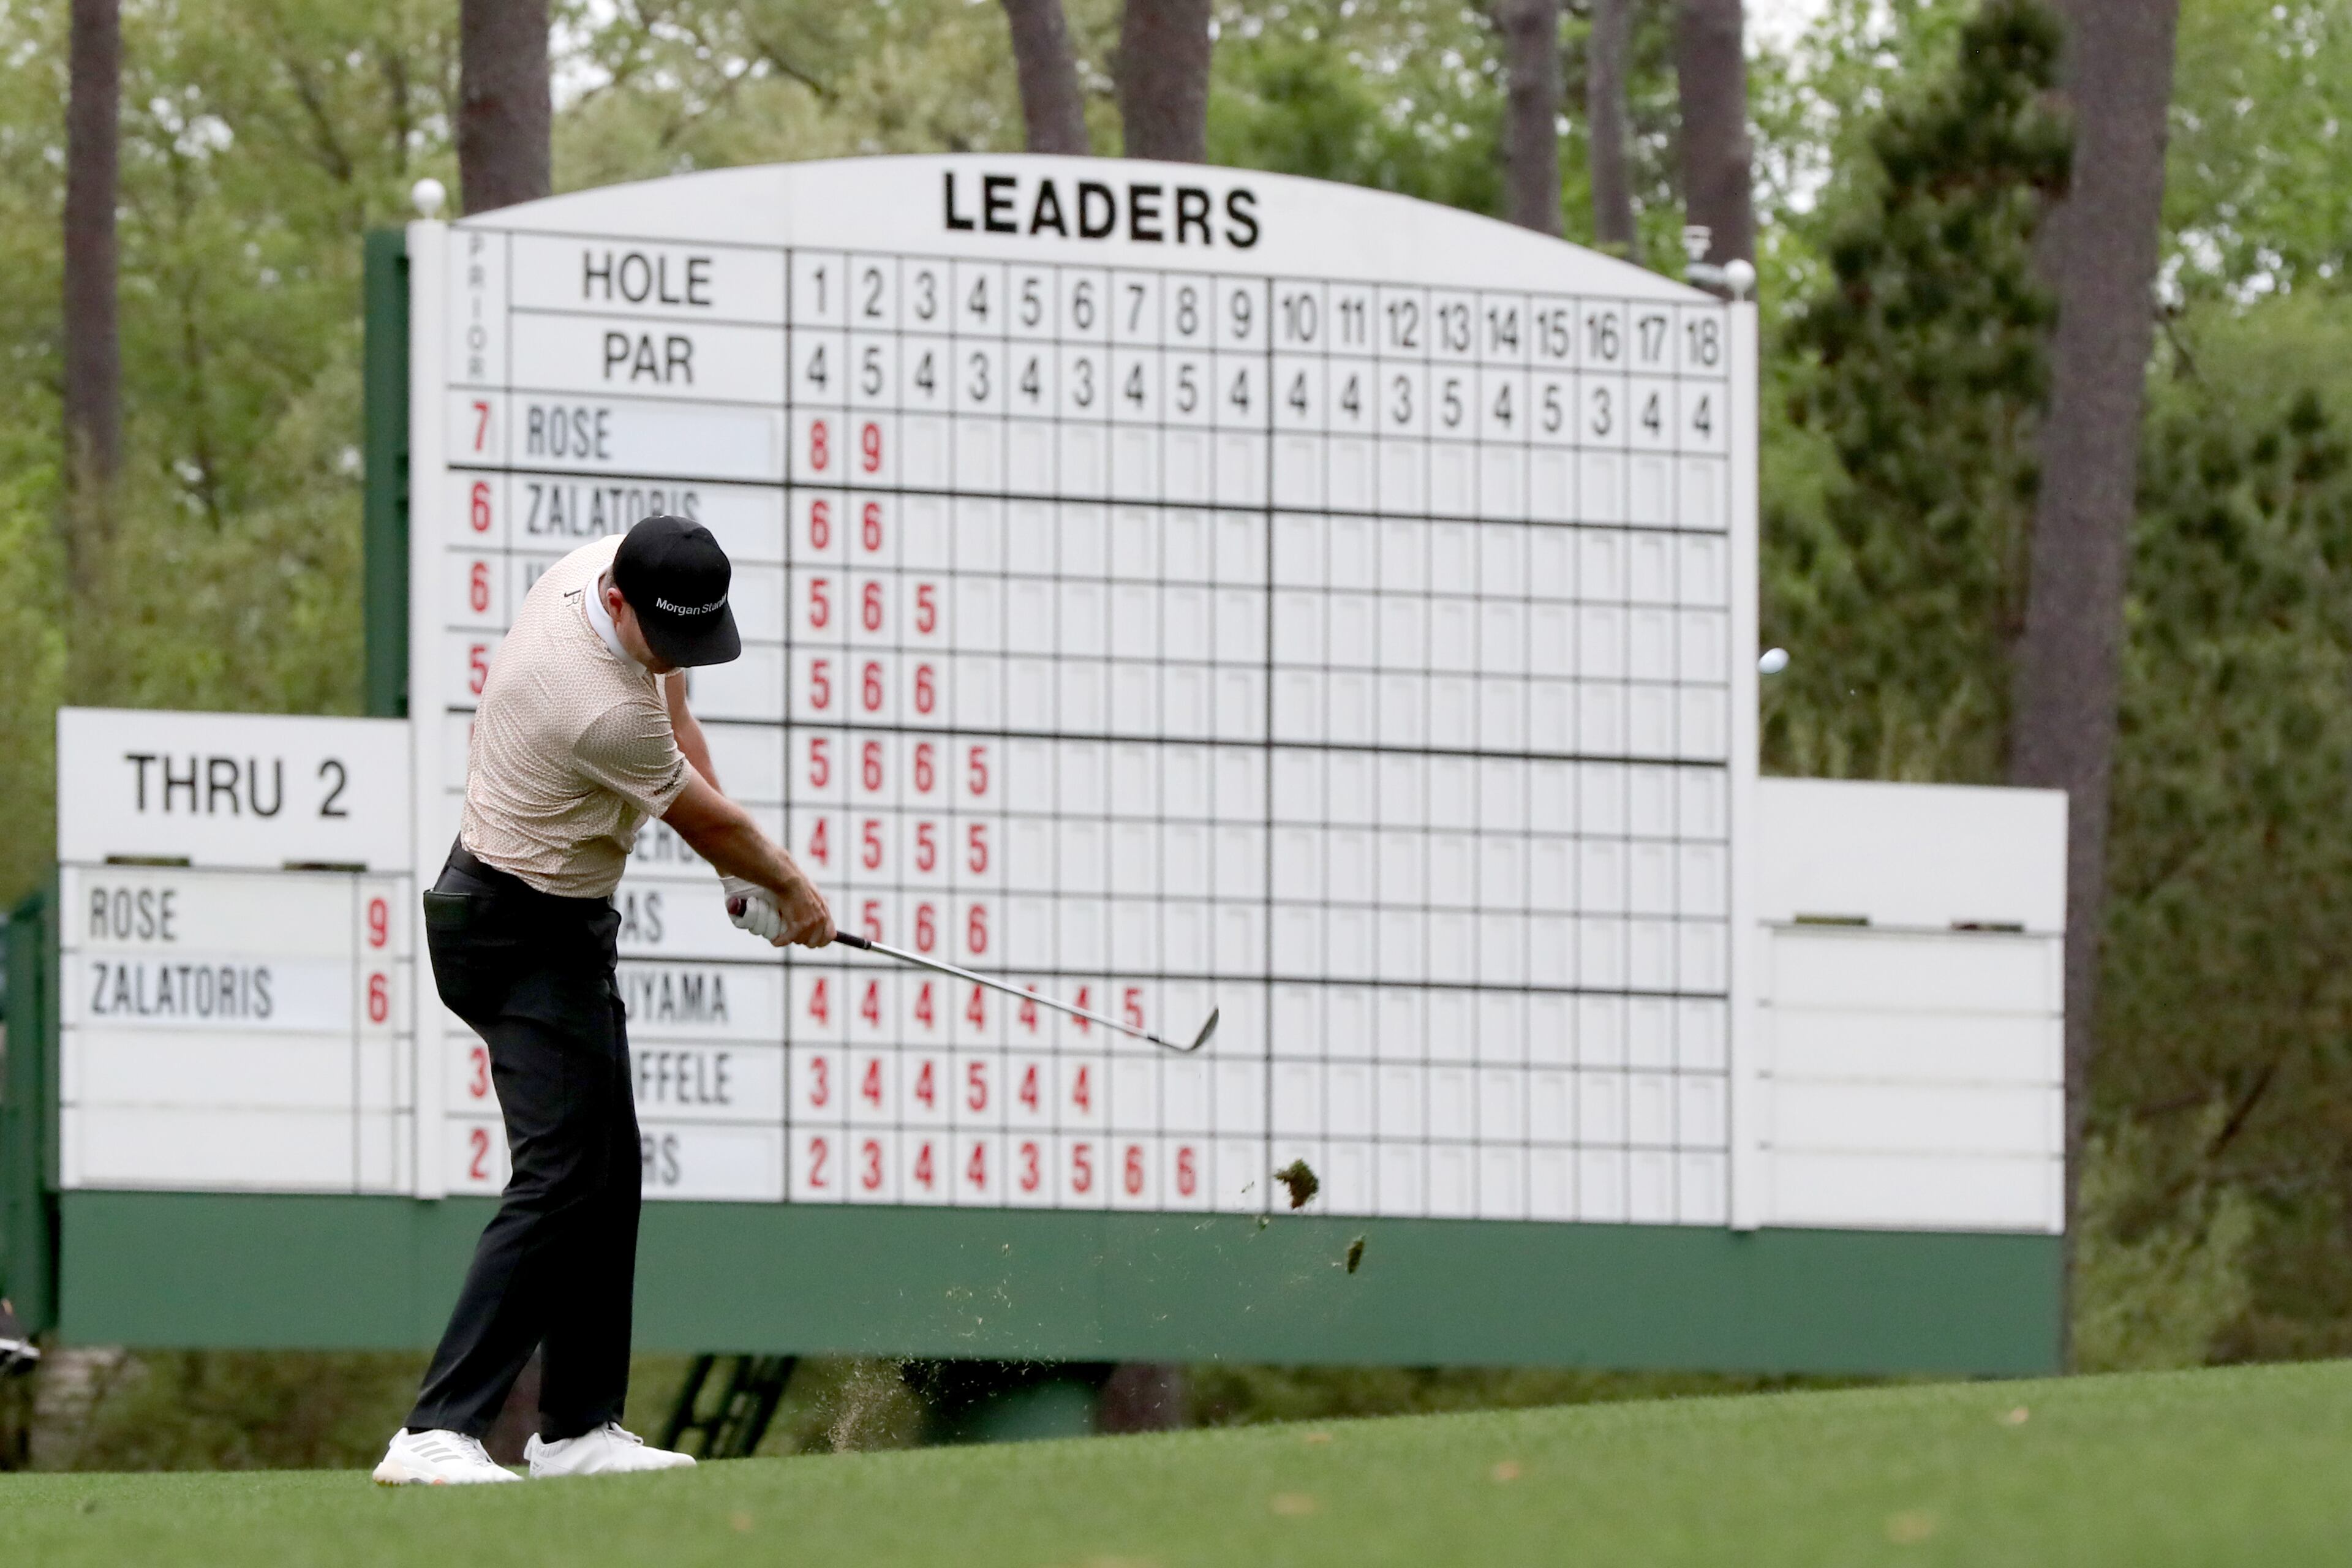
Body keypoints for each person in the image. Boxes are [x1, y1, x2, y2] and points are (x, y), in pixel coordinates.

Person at [374, 516, 831, 1485]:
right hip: (510, 928)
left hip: (558, 926)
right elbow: (708, 819)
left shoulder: (609, 576)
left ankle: (579, 1425)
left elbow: (676, 709)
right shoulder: (591, 703)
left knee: (607, 1167)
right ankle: (434, 1430)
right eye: (664, 639)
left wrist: (739, 881)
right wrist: (788, 890)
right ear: (620, 603)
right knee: (560, 1178)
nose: (676, 658)